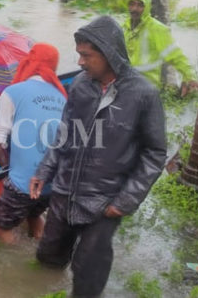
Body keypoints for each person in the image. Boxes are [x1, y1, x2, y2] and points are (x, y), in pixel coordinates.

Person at [31, 16, 166, 297]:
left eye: (86, 55)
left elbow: (155, 153)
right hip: (65, 190)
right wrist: (44, 171)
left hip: (105, 200)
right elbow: (65, 133)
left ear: (109, 54)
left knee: (88, 275)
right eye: (79, 55)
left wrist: (125, 201)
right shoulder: (81, 85)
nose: (80, 62)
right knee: (48, 257)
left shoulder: (144, 95)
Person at [0, 43, 67, 244]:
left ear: (29, 62)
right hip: (52, 182)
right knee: (34, 215)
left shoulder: (13, 92)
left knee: (1, 225)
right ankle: (39, 252)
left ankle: (14, 267)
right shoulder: (62, 96)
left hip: (23, 183)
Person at [123, 0, 198, 96]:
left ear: (147, 7)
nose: (134, 9)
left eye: (140, 5)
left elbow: (176, 56)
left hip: (146, 88)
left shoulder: (157, 29)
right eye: (132, 4)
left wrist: (190, 77)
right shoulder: (124, 27)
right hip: (126, 85)